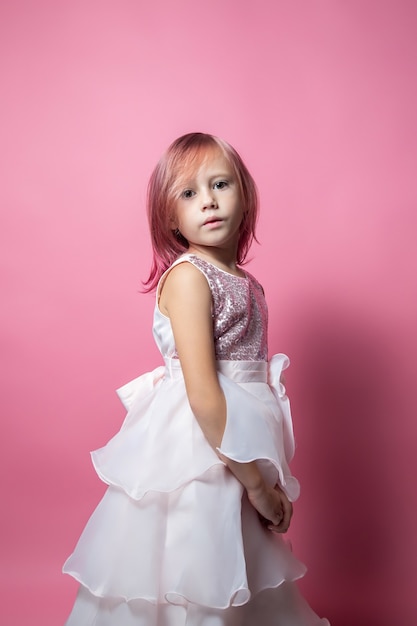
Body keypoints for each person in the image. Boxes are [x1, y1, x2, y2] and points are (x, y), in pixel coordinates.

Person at [63, 132, 329, 625]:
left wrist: (264, 481)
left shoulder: (248, 283)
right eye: (188, 193)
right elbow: (205, 396)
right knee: (198, 554)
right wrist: (256, 486)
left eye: (220, 184)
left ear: (244, 195)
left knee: (238, 559)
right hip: (201, 446)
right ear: (170, 216)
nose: (207, 200)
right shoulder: (189, 277)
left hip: (236, 442)